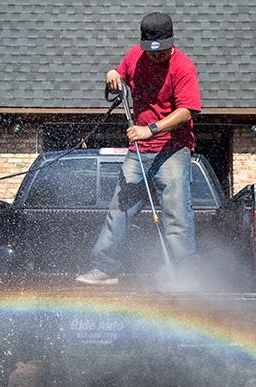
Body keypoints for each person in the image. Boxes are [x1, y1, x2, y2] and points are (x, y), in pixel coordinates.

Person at [76, 12, 202, 285]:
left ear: (172, 41)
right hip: (139, 153)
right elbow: (119, 75)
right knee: (119, 210)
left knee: (176, 215)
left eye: (162, 51)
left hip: (173, 150)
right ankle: (105, 268)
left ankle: (184, 278)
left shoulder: (183, 66)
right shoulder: (135, 55)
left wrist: (151, 129)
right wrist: (113, 74)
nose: (156, 56)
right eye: (151, 51)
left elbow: (187, 111)